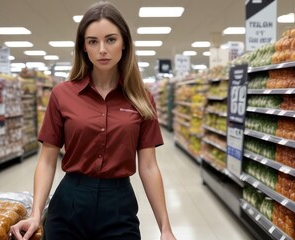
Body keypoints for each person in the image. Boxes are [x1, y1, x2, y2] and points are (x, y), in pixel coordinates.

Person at [10, 2, 176, 240]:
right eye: (92, 41)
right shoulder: (62, 94)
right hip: (69, 202)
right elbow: (47, 161)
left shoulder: (142, 99)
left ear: (125, 43)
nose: (102, 50)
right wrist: (36, 214)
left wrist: (165, 228)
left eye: (110, 39)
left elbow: (149, 166)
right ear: (83, 48)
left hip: (119, 206)